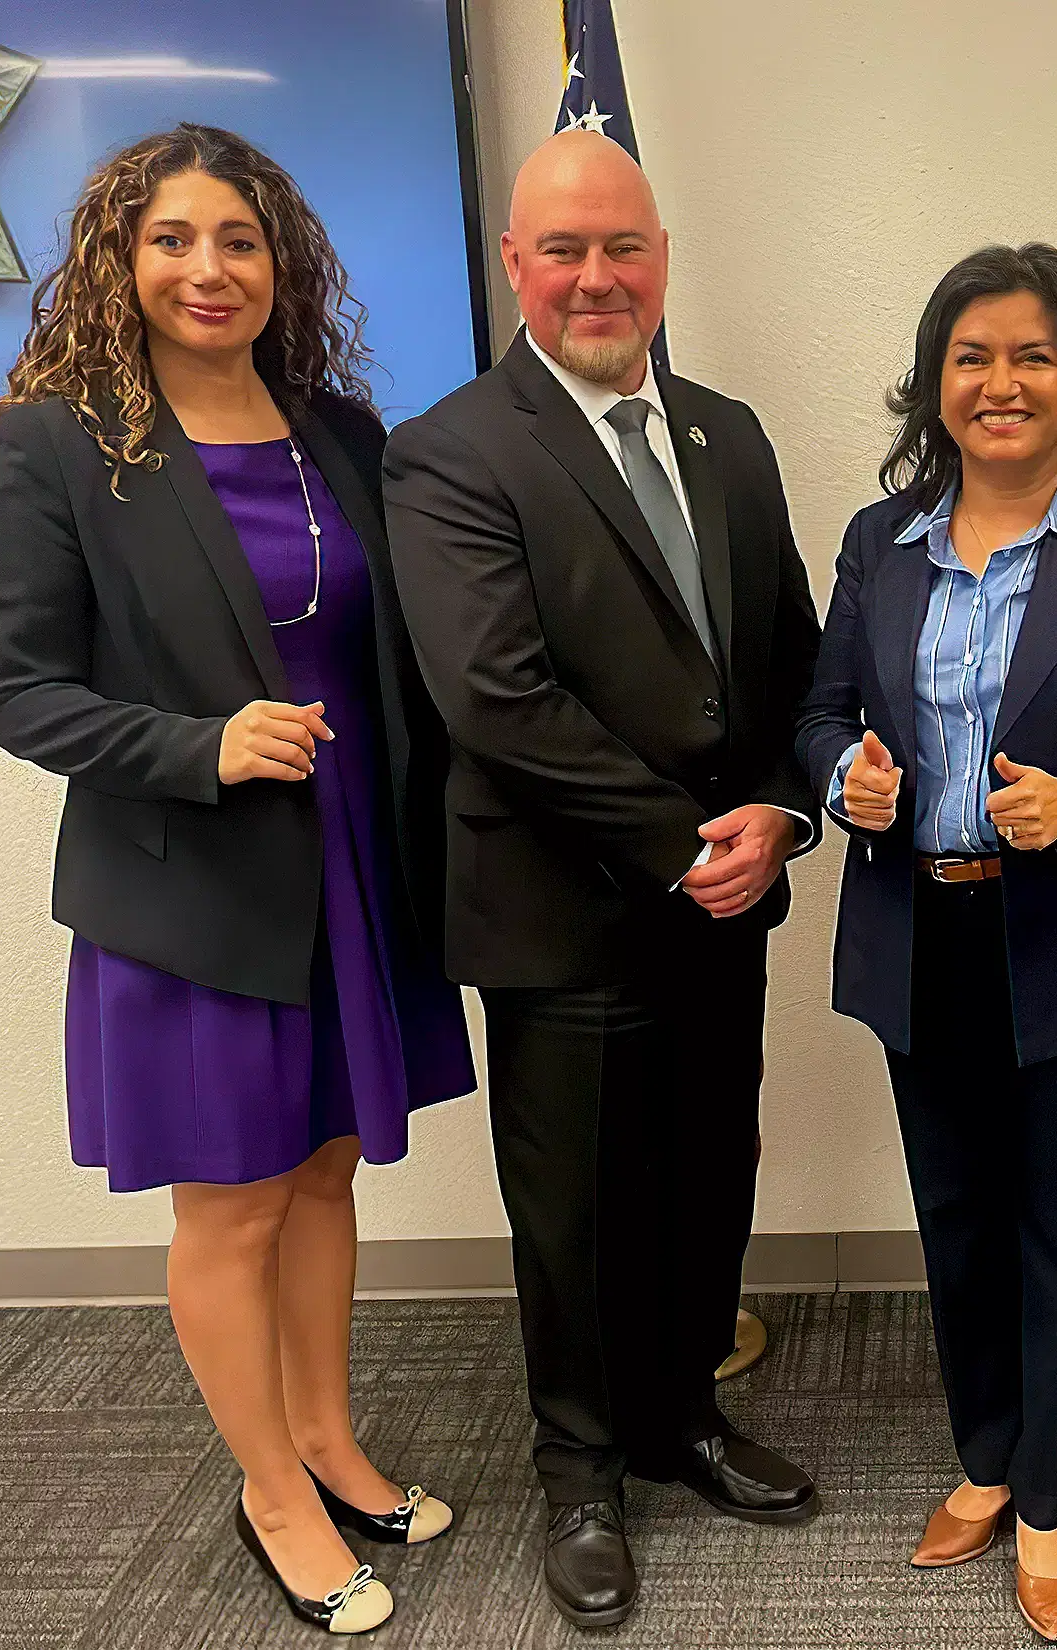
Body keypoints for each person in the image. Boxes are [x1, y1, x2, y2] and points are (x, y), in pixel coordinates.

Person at [0, 124, 476, 1637]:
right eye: (172, 237)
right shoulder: (64, 440)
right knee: (232, 1204)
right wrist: (198, 747)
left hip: (348, 867)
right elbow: (17, 691)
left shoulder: (337, 431)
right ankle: (267, 1489)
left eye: (238, 240)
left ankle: (327, 1438)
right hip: (190, 881)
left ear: (282, 263)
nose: (209, 268)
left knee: (324, 1167)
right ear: (120, 260)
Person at [380, 129, 823, 1632]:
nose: (595, 276)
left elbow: (784, 664)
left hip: (723, 902)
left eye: (622, 246)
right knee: (570, 1210)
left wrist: (780, 808)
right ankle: (579, 1470)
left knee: (707, 1174)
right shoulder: (451, 449)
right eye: (562, 250)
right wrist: (684, 843)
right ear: (515, 267)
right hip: (565, 910)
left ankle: (680, 1416)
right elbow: (495, 698)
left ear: (663, 261)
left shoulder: (730, 434)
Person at [796, 244, 1057, 1643]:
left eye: (1032, 354)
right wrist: (842, 779)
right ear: (934, 383)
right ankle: (984, 1455)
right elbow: (820, 714)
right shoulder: (881, 540)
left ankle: (1050, 1496)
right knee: (960, 1220)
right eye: (971, 356)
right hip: (921, 928)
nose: (1000, 382)